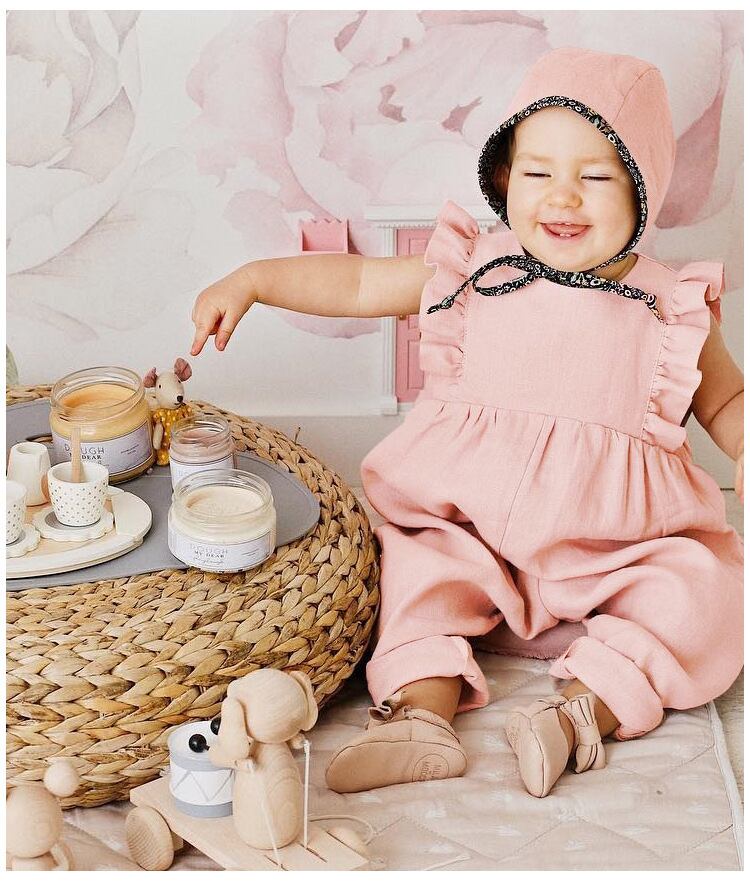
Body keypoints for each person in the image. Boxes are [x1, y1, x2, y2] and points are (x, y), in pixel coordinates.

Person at [190, 47, 744, 799]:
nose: (563, 198)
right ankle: (420, 715)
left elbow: (725, 402)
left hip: (614, 552)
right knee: (409, 568)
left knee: (705, 596)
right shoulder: (477, 270)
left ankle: (580, 713)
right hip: (469, 535)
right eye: (538, 173)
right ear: (505, 177)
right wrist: (255, 279)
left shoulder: (667, 306)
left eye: (595, 177)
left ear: (644, 188)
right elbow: (359, 283)